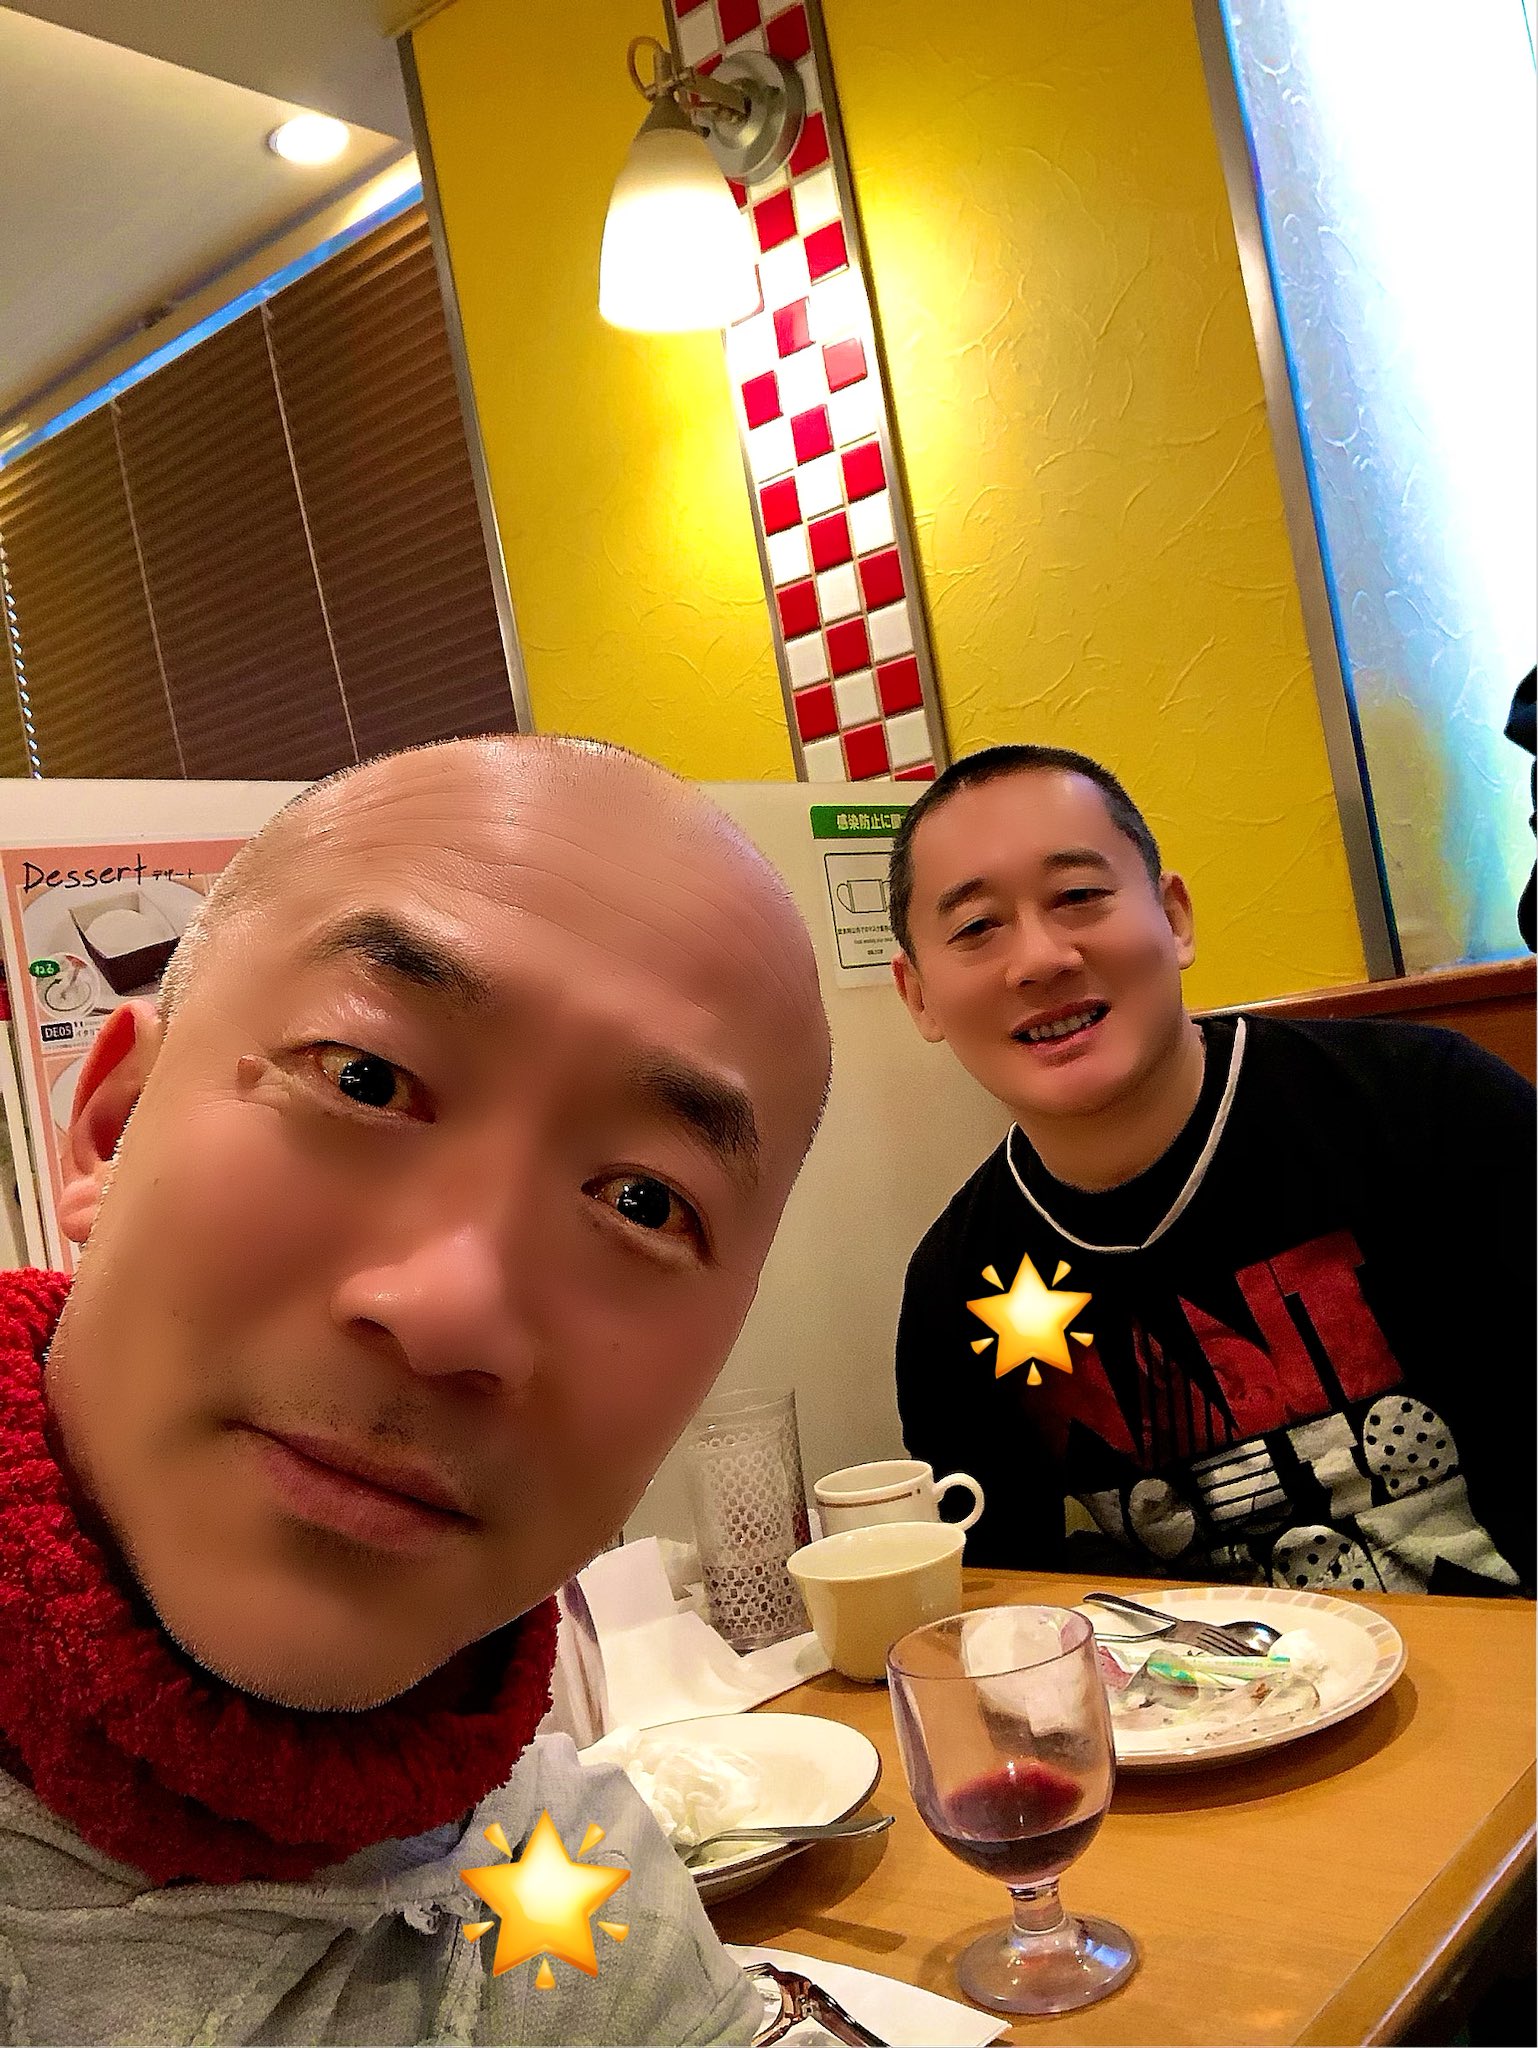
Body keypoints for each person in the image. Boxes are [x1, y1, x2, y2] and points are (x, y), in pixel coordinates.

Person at [0, 734, 832, 2046]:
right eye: (364, 1078)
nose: (452, 1311)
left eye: (641, 1202)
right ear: (112, 1123)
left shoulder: (581, 1900)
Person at [888, 743, 1534, 1596]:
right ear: (918, 995)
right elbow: (1005, 1614)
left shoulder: (1430, 1109)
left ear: (1174, 917)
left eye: (1078, 895)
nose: (1041, 958)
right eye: (976, 928)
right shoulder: (954, 1287)